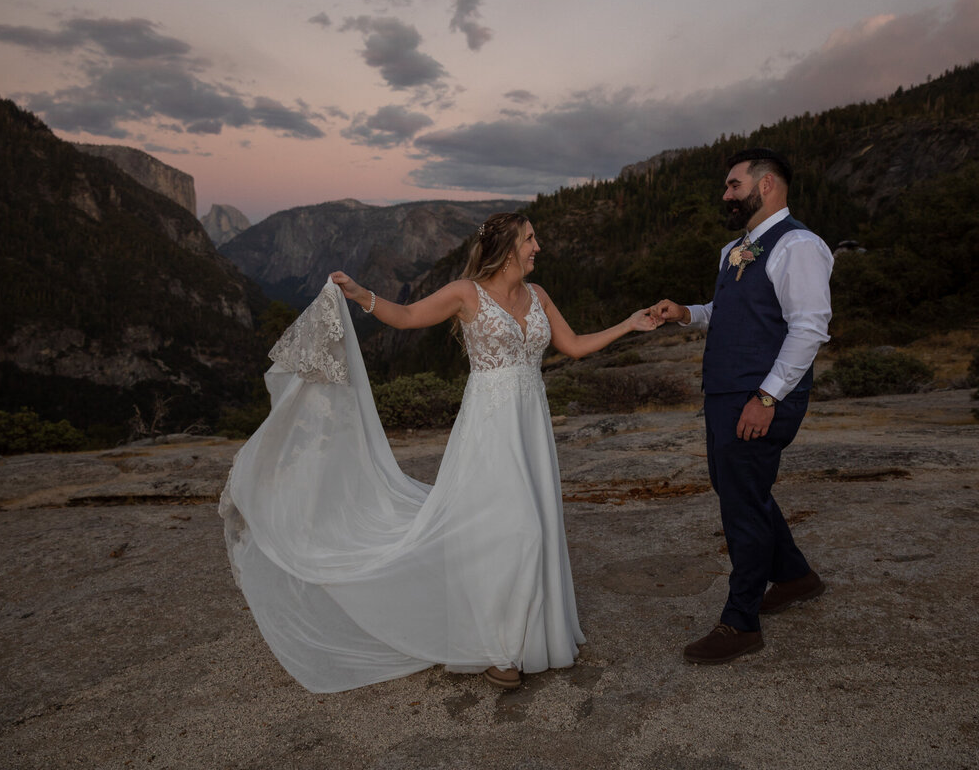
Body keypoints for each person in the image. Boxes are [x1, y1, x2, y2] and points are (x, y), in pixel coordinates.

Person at [219, 212, 658, 692]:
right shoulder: (466, 293)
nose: (540, 246)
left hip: (530, 424)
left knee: (531, 523)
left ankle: (532, 639)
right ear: (509, 247)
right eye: (532, 238)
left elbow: (571, 345)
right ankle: (496, 647)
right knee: (515, 528)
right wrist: (361, 293)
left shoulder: (539, 296)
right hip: (489, 428)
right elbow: (407, 317)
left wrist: (628, 325)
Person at [650, 148, 833, 664]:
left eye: (733, 185)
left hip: (761, 397)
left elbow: (808, 328)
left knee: (741, 505)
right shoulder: (736, 247)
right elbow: (728, 310)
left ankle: (740, 623)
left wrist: (766, 397)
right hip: (727, 393)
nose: (726, 194)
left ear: (767, 184)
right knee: (739, 491)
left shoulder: (798, 244)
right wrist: (686, 312)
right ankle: (795, 576)